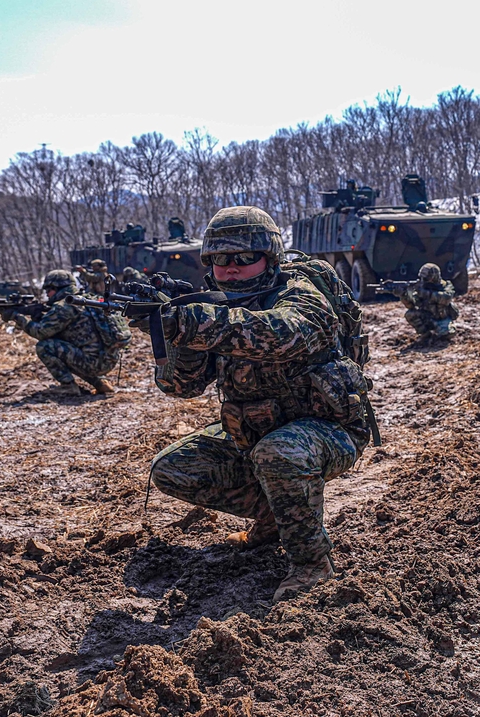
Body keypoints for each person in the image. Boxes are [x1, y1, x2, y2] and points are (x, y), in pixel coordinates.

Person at [148, 206, 374, 601]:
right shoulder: (214, 307)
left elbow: (282, 335)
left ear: (269, 258)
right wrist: (175, 336)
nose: (231, 268)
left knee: (279, 453)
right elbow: (181, 387)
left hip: (329, 430)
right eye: (220, 259)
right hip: (256, 432)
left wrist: (195, 323)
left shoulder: (301, 294)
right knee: (172, 468)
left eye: (244, 257)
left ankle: (311, 564)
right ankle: (276, 516)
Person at [10, 270, 128, 396]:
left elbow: (40, 332)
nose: (47, 294)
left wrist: (16, 317)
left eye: (48, 290)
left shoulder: (64, 306)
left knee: (44, 347)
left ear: (56, 288)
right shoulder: (87, 299)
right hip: (109, 360)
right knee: (70, 348)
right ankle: (100, 383)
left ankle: (68, 386)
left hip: (93, 364)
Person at [401, 263, 458, 337]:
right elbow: (412, 305)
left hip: (441, 318)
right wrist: (404, 296)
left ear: (434, 276)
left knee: (448, 334)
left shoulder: (446, 285)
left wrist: (425, 293)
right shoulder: (421, 286)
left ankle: (443, 329)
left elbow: (446, 298)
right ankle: (425, 334)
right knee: (410, 314)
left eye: (426, 278)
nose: (423, 280)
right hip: (427, 317)